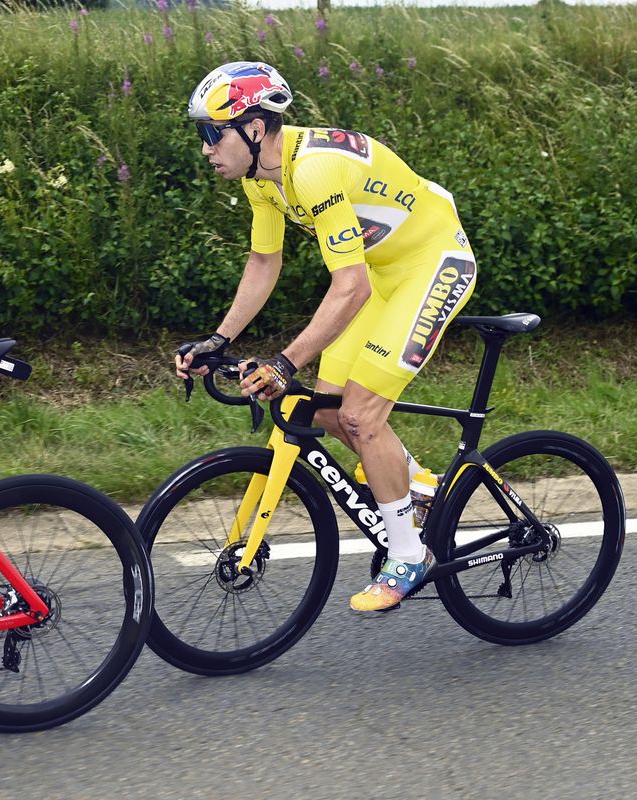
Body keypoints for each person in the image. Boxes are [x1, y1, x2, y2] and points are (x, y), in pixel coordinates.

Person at [175, 62, 477, 612]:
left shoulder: (312, 171)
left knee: (361, 415)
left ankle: (410, 556)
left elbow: (349, 287)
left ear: (254, 130)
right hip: (384, 274)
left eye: (211, 134)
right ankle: (416, 482)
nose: (205, 148)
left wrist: (285, 362)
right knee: (322, 410)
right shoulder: (261, 179)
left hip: (433, 263)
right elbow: (264, 262)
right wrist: (218, 339)